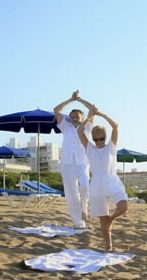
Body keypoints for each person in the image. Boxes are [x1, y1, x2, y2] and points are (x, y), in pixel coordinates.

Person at [77, 105, 128, 251]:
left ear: (105, 138)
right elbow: (80, 130)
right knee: (102, 221)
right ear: (93, 139)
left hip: (112, 181)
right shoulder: (90, 148)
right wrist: (89, 117)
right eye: (96, 139)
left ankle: (111, 220)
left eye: (101, 138)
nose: (99, 141)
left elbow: (115, 126)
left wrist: (101, 114)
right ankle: (108, 247)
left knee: (123, 207)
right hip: (97, 185)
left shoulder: (111, 147)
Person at [54, 90, 94, 229]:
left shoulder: (88, 126)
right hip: (67, 163)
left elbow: (92, 109)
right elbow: (56, 110)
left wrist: (79, 99)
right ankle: (79, 222)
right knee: (71, 193)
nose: (75, 118)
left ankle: (84, 209)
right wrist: (71, 100)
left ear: (82, 118)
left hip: (82, 163)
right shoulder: (65, 126)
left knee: (85, 188)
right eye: (72, 117)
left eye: (77, 116)